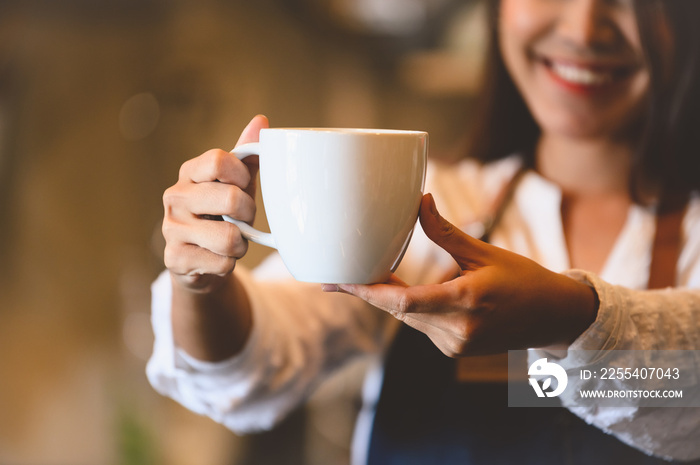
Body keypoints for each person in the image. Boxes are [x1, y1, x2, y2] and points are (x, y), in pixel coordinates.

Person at [147, 0, 700, 463]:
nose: (583, 29)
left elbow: (690, 396)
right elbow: (256, 359)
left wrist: (572, 318)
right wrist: (201, 285)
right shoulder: (422, 204)